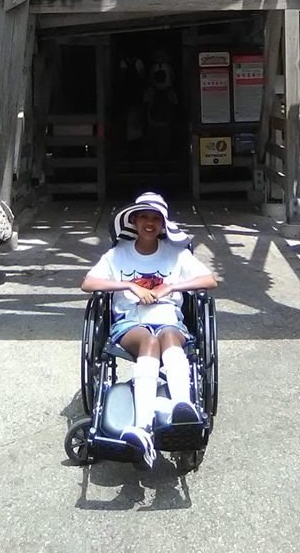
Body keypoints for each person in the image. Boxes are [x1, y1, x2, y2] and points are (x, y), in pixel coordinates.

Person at [81, 192, 218, 468]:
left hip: (169, 318)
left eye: (155, 218)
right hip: (131, 322)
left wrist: (171, 287)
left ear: (163, 224)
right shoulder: (117, 254)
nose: (149, 223)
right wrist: (130, 286)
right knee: (149, 340)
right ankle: (142, 425)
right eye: (144, 216)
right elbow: (88, 283)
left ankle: (183, 407)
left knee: (167, 334)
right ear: (134, 220)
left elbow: (209, 280)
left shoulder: (177, 254)